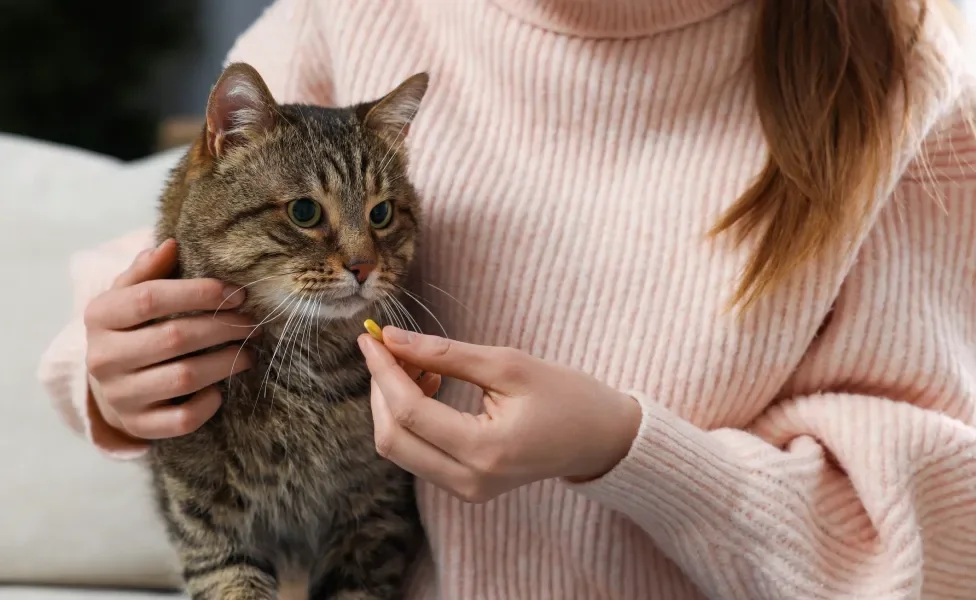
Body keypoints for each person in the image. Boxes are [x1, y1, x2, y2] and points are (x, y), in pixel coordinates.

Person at [38, 0, 976, 598]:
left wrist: (626, 450)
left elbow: (939, 541)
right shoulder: (348, 13)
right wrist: (115, 369)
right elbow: (187, 228)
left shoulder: (913, 74)